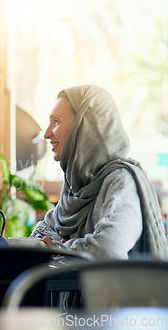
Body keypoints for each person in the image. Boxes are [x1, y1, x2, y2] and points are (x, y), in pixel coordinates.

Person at [31, 85, 168, 260]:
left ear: (84, 126)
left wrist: (59, 247)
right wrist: (71, 246)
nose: (47, 133)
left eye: (56, 121)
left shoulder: (122, 181)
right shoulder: (75, 185)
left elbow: (107, 250)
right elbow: (39, 236)